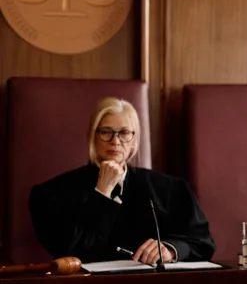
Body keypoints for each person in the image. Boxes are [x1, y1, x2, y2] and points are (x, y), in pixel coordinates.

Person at [29, 97, 216, 264]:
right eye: (106, 132)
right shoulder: (51, 194)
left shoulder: (169, 189)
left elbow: (203, 243)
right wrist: (102, 194)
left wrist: (170, 250)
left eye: (124, 133)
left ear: (134, 140)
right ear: (92, 137)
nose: (115, 141)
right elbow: (73, 252)